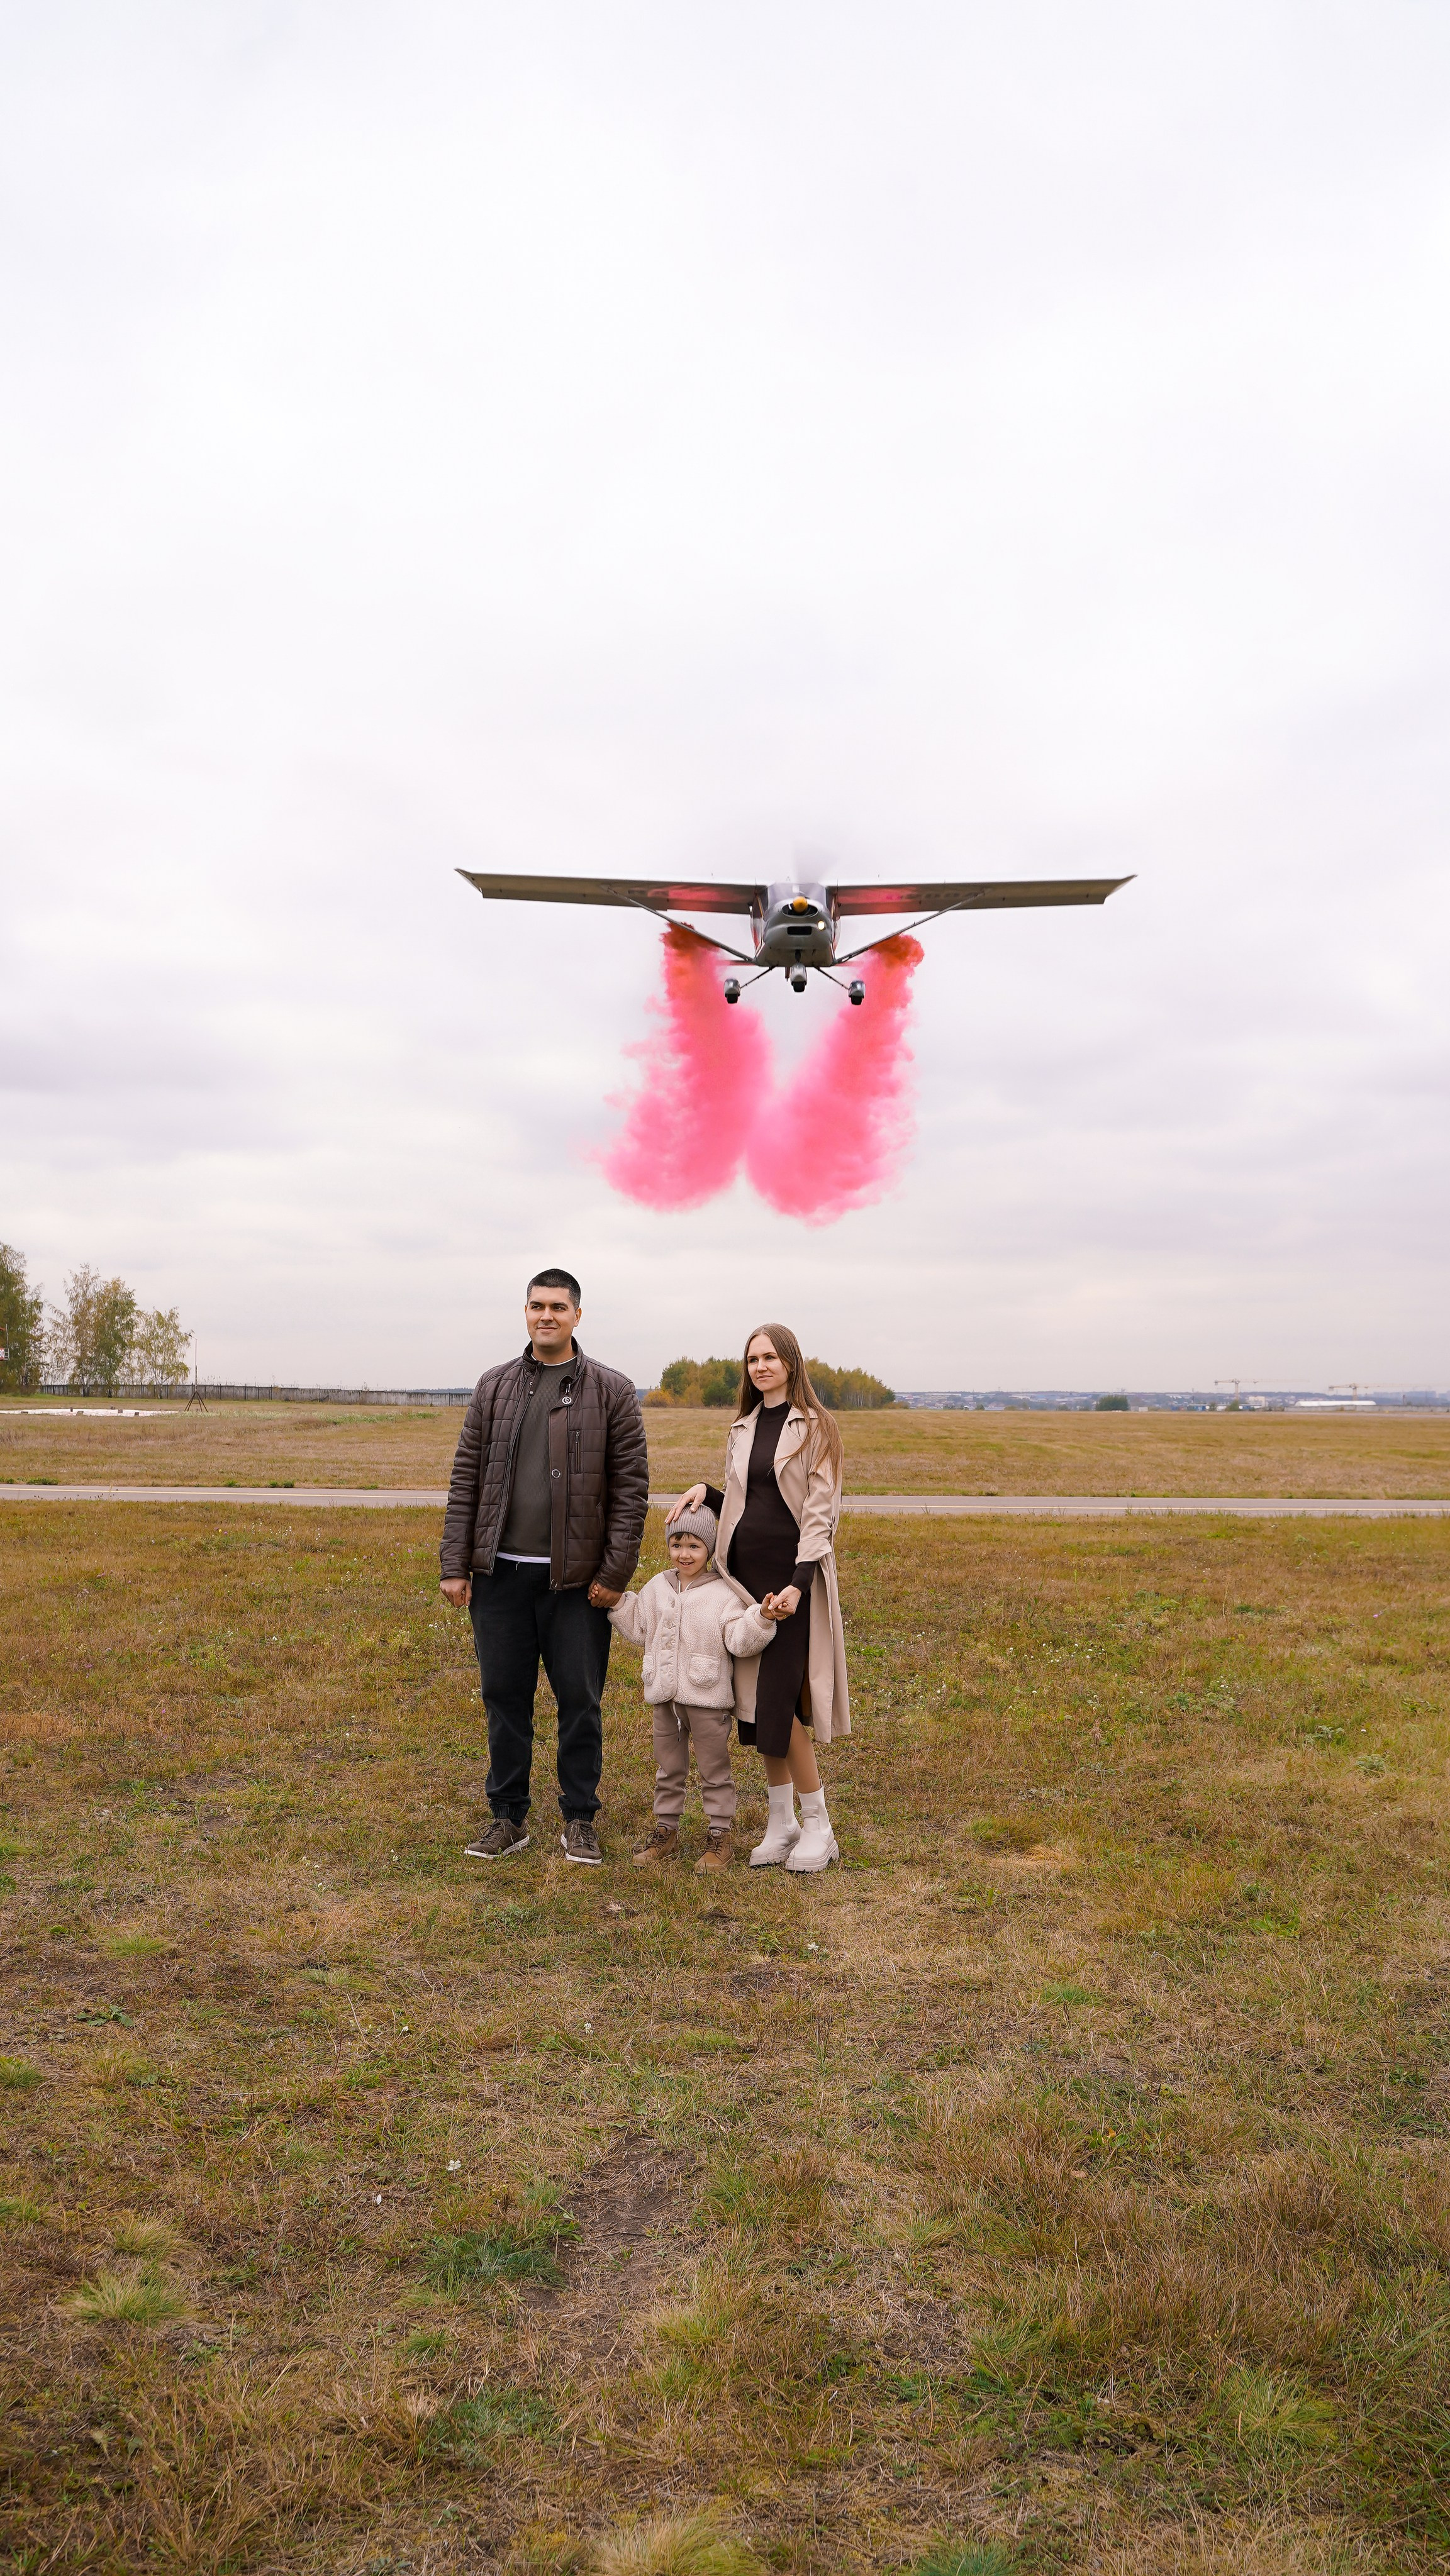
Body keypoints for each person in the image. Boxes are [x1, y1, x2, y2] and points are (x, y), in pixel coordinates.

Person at [439, 1268, 649, 1864]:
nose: (547, 1316)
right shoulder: (494, 1387)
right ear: (525, 1313)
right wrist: (456, 1562)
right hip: (499, 1577)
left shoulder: (611, 1390)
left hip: (576, 1584)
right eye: (537, 1306)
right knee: (504, 1696)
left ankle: (580, 1817)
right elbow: (466, 1481)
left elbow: (631, 1489)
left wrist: (613, 1574)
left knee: (579, 1701)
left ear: (577, 1316)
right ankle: (507, 1818)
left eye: (558, 1307)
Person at [669, 1323, 850, 1873]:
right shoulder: (742, 1425)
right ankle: (781, 1823)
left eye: (770, 1357)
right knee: (751, 1708)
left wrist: (798, 1582)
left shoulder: (815, 1427)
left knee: (777, 1702)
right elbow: (753, 1498)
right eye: (752, 1359)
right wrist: (710, 1491)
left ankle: (820, 1827)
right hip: (741, 1583)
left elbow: (818, 1515)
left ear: (791, 1363)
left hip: (789, 1584)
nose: (760, 1367)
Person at [608, 1504, 776, 1875]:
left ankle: (720, 1835)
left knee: (714, 1768)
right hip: (664, 1697)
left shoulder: (723, 1593)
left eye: (695, 1546)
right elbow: (639, 1627)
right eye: (677, 1544)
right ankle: (666, 1830)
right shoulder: (657, 1586)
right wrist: (618, 1602)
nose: (684, 1554)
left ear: (710, 1550)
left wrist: (761, 1619)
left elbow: (738, 1639)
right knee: (668, 1767)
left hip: (707, 1697)